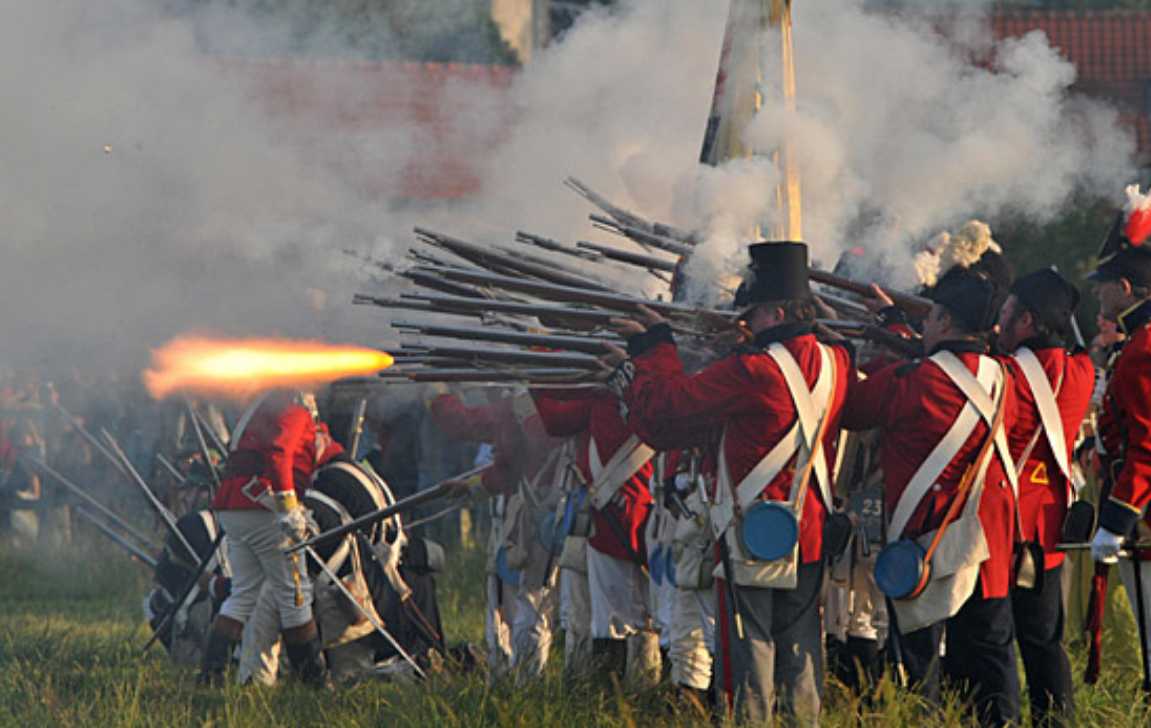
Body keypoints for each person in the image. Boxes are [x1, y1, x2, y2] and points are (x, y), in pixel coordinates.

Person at [615, 242, 853, 725]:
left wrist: (655, 346)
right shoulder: (837, 362)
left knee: (749, 652)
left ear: (778, 312)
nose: (749, 322)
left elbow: (669, 409)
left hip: (752, 534)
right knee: (803, 648)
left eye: (756, 313)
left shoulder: (753, 371)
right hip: (809, 531)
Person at [844, 267, 1021, 726]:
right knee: (990, 660)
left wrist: (843, 357)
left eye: (931, 319)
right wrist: (894, 326)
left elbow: (853, 409)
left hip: (928, 541)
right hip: (989, 544)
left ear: (942, 320)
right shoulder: (1004, 376)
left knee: (919, 666)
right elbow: (948, 367)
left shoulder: (910, 380)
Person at [997, 269, 1094, 727]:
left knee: (992, 642)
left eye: (1006, 313)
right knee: (1043, 642)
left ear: (1027, 321)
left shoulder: (1009, 374)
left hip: (1006, 524)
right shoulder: (1081, 369)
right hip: (1049, 524)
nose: (999, 321)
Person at [198, 389, 341, 687]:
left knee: (242, 595)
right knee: (295, 598)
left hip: (235, 506)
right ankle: (312, 682)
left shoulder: (260, 407)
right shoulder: (292, 410)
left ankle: (210, 678)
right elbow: (280, 452)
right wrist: (289, 507)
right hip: (264, 508)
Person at [1087, 195, 1151, 684]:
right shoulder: (1136, 345)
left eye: (1105, 288)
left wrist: (1117, 517)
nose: (1099, 298)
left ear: (1125, 288)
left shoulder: (1142, 351)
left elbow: (1148, 446)